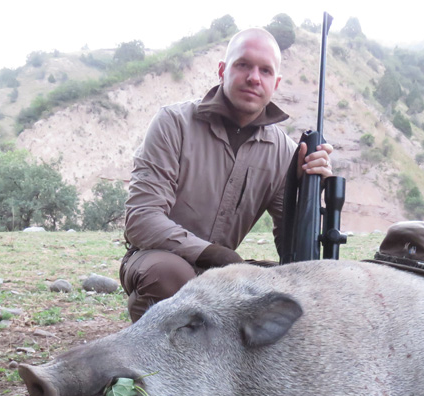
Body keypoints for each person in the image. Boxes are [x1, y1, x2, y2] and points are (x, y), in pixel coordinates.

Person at [120, 27, 334, 322]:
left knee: (291, 296)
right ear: (222, 70)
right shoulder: (173, 123)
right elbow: (141, 220)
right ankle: (150, 363)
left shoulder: (284, 150)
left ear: (277, 83)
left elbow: (292, 251)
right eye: (243, 65)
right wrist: (215, 254)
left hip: (223, 271)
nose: (254, 77)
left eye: (265, 71)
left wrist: (307, 189)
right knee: (170, 276)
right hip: (156, 257)